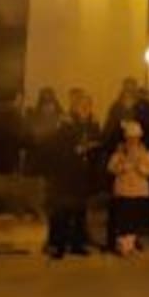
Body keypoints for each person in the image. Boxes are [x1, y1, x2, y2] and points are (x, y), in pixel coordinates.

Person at [43, 90, 100, 258]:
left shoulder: (93, 124)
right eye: (82, 105)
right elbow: (57, 146)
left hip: (84, 174)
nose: (85, 109)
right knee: (63, 210)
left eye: (88, 106)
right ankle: (59, 245)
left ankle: (77, 244)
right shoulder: (66, 123)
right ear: (75, 107)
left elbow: (98, 142)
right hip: (66, 173)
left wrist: (91, 149)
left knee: (79, 211)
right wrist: (75, 150)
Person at [107, 120, 149, 255]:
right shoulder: (120, 152)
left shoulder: (145, 151)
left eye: (135, 138)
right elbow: (111, 167)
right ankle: (123, 246)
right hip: (124, 190)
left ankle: (131, 243)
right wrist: (122, 167)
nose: (133, 141)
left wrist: (142, 169)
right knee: (124, 219)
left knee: (135, 219)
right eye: (130, 138)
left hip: (139, 190)